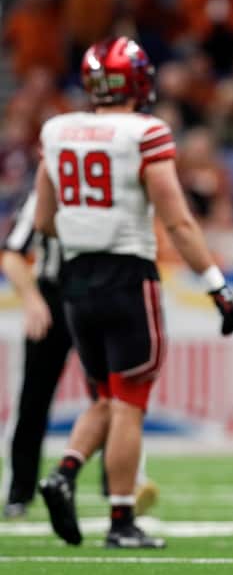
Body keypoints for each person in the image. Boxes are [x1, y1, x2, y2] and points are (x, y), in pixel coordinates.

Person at [33, 36, 233, 549]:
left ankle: (63, 472)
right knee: (129, 402)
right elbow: (179, 222)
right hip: (127, 276)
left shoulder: (58, 130)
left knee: (105, 395)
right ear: (137, 81)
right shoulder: (145, 131)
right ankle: (121, 520)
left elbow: (43, 219)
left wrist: (87, 230)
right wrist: (215, 284)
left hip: (76, 280)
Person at [1, 193, 158, 521]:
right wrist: (31, 299)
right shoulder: (47, 194)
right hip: (56, 298)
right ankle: (20, 490)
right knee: (34, 396)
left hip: (95, 294)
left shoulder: (112, 185)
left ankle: (118, 487)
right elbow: (13, 254)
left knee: (115, 399)